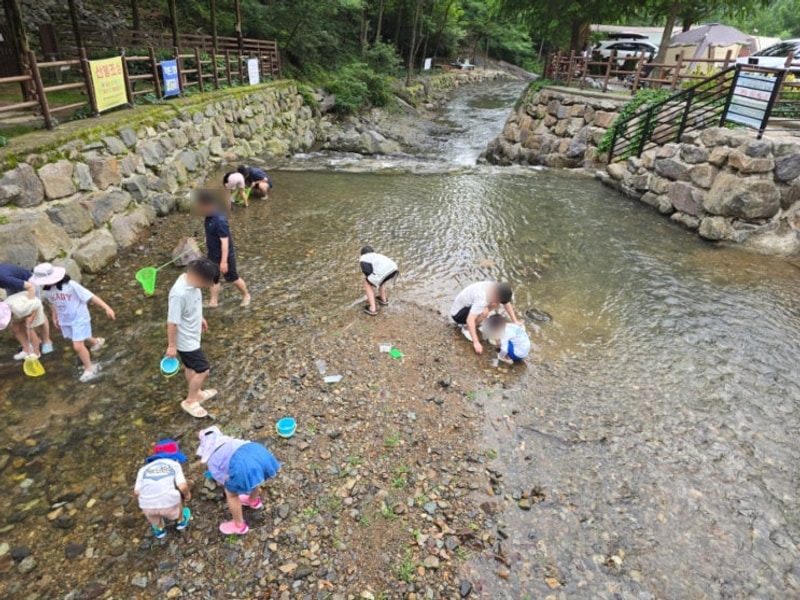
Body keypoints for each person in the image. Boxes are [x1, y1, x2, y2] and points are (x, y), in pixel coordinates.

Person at [197, 426, 281, 535]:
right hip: (257, 450)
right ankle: (253, 500)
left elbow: (222, 479)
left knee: (231, 493)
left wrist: (224, 480)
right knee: (256, 475)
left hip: (243, 463)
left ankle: (239, 525)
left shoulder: (211, 461)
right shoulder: (231, 442)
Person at [41, 264, 116, 383]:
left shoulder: (71, 286)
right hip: (65, 319)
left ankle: (89, 369)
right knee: (79, 337)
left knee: (77, 346)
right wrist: (55, 317)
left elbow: (91, 296)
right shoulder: (48, 291)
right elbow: (53, 304)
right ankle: (97, 342)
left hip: (79, 317)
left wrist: (107, 308)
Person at [166, 259, 220, 418]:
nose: (209, 287)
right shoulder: (179, 294)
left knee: (191, 368)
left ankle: (196, 393)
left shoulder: (190, 281)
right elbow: (172, 322)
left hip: (192, 333)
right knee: (203, 370)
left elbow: (192, 305)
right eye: (208, 283)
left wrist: (200, 317)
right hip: (186, 341)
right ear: (198, 277)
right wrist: (171, 346)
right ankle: (190, 401)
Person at [196, 191, 251, 308]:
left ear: (208, 205)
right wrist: (207, 238)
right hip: (213, 254)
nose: (199, 209)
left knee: (233, 278)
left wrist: (224, 262)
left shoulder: (220, 220)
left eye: (201, 206)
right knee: (213, 278)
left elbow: (225, 242)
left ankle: (246, 295)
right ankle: (213, 302)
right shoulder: (208, 215)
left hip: (224, 255)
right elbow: (210, 230)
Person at [134, 440, 192, 539]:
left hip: (147, 506)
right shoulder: (174, 465)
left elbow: (136, 492)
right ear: (174, 457)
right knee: (176, 496)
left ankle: (160, 530)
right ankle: (180, 521)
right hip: (168, 504)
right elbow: (182, 486)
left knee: (152, 514)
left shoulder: (143, 469)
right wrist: (187, 495)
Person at [450, 281, 520, 355]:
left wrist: (515, 320)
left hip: (467, 307)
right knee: (485, 311)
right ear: (496, 294)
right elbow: (469, 319)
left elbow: (506, 303)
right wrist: (476, 342)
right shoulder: (482, 298)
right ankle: (466, 329)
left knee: (493, 304)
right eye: (498, 299)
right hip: (457, 314)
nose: (498, 302)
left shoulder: (494, 287)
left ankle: (478, 320)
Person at [0, 263, 54, 358]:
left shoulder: (3, 277)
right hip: (12, 288)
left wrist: (31, 311)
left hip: (29, 284)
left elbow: (30, 287)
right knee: (17, 326)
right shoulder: (11, 304)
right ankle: (28, 348)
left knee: (35, 317)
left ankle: (46, 340)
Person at [359, 246, 399, 316]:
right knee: (379, 279)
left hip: (383, 271)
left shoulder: (363, 258)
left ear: (362, 254)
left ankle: (372, 308)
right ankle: (383, 299)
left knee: (366, 282)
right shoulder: (377, 256)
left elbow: (367, 274)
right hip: (394, 269)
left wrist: (370, 284)